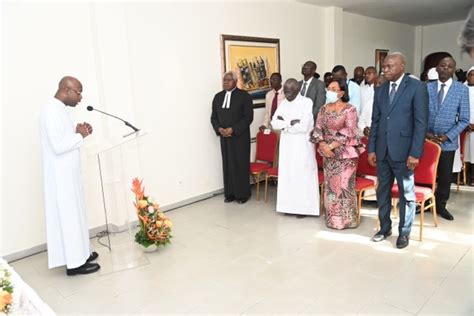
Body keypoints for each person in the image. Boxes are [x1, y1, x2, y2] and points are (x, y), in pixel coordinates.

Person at [40, 76, 100, 276]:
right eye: (78, 92)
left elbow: (62, 139)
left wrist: (76, 132)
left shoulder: (60, 110)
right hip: (61, 178)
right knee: (69, 218)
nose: (81, 97)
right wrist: (79, 135)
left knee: (77, 215)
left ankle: (82, 253)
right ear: (66, 90)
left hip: (69, 175)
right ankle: (74, 264)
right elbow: (57, 147)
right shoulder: (50, 111)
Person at [368, 52, 428, 249]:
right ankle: (385, 228)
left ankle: (404, 232)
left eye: (389, 66)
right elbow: (375, 121)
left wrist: (415, 153)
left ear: (402, 66)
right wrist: (371, 149)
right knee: (382, 192)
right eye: (384, 66)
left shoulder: (417, 87)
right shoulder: (381, 89)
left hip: (404, 152)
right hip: (382, 151)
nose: (384, 70)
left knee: (406, 195)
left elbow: (421, 123)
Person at [312, 79, 362, 229]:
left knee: (344, 185)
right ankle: (333, 219)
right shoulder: (323, 109)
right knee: (331, 186)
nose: (329, 91)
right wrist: (322, 144)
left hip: (346, 154)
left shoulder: (350, 109)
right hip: (328, 154)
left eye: (333, 89)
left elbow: (350, 130)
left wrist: (331, 145)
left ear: (341, 92)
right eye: (328, 88)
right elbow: (318, 128)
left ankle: (348, 220)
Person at [426, 57, 470, 221]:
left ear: (454, 70)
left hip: (447, 141)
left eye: (449, 66)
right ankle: (424, 202)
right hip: (427, 139)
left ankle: (440, 206)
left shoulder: (461, 90)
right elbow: (419, 114)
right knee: (426, 173)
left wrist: (447, 136)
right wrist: (426, 133)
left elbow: (465, 119)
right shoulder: (427, 88)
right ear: (437, 68)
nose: (445, 68)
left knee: (444, 176)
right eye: (442, 65)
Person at [271, 79, 319, 217]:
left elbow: (304, 126)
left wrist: (285, 124)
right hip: (287, 145)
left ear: (297, 90)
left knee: (302, 175)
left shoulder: (306, 102)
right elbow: (274, 122)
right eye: (285, 91)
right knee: (288, 175)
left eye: (289, 91)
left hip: (302, 146)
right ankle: (289, 206)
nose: (286, 94)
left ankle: (304, 209)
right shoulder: (283, 103)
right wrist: (290, 123)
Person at [211, 71, 254, 204]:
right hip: (224, 137)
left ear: (235, 82)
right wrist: (219, 129)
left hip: (240, 137)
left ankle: (243, 194)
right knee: (228, 164)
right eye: (224, 80)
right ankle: (230, 193)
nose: (225, 82)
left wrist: (233, 129)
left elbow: (248, 117)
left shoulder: (244, 96)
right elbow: (213, 117)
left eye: (229, 80)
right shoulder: (218, 97)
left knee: (240, 164)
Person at [358, 66, 378, 136]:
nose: (366, 75)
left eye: (369, 73)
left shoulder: (379, 89)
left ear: (375, 74)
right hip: (363, 123)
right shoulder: (361, 89)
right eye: (365, 74)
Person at [464, 67, 474, 185]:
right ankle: (463, 177)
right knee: (466, 154)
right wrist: (464, 124)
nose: (472, 77)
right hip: (464, 128)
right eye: (470, 75)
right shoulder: (462, 89)